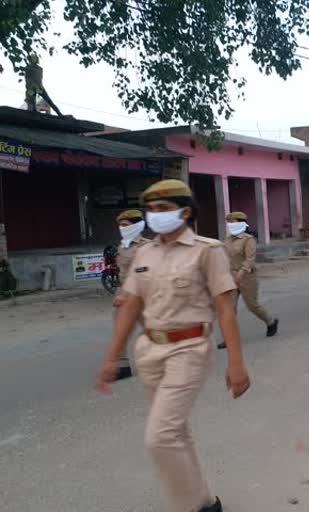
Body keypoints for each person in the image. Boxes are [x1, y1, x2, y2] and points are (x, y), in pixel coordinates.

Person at [97, 179, 250, 512]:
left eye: (163, 209)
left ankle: (186, 506)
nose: (156, 216)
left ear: (185, 211)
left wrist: (236, 362)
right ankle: (206, 502)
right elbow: (131, 306)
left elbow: (225, 309)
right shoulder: (143, 252)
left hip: (189, 348)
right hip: (150, 350)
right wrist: (112, 358)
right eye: (151, 210)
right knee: (176, 432)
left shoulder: (207, 251)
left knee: (160, 437)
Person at [219, 211, 278, 348]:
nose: (230, 225)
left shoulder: (248, 239)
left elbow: (250, 258)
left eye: (232, 222)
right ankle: (229, 338)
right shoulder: (227, 240)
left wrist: (241, 271)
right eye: (229, 223)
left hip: (247, 277)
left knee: (252, 305)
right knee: (229, 309)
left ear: (240, 223)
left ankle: (270, 321)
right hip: (231, 276)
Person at [113, 209, 150, 380]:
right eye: (120, 225)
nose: (122, 228)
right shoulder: (122, 246)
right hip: (125, 294)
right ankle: (122, 366)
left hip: (142, 295)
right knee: (120, 330)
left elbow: (141, 273)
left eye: (126, 225)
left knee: (153, 329)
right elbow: (123, 272)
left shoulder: (146, 246)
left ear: (137, 225)